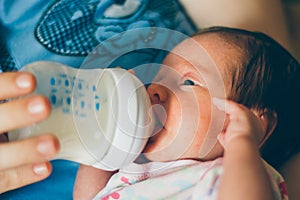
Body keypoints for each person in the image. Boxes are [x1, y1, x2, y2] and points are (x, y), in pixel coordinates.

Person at [73, 26, 300, 199]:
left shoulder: (241, 174)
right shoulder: (134, 166)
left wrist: (242, 144)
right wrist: (106, 133)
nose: (155, 89)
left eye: (189, 82)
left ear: (256, 126)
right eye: (160, 77)